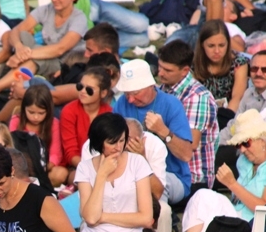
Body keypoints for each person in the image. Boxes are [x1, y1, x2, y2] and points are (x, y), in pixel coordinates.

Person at [178, 109, 266, 232]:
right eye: (239, 145)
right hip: (236, 214)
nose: (242, 149)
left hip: (254, 223)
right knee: (202, 197)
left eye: (246, 143)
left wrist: (232, 184)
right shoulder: (244, 161)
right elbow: (235, 200)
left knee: (205, 196)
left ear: (263, 140)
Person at [113, 59, 193, 205]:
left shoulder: (171, 104)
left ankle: (158, 220)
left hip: (172, 175)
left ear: (150, 85)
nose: (130, 100)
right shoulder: (121, 104)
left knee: (152, 189)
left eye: (135, 93)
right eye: (126, 94)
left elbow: (186, 154)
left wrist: (163, 131)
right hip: (127, 170)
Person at [0, 0, 87, 96]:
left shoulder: (79, 18)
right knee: (23, 36)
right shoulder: (46, 10)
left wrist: (24, 56)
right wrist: (19, 47)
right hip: (41, 54)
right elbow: (16, 30)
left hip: (62, 63)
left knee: (36, 59)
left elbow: (60, 48)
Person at [158, 40, 219, 189]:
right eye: (160, 67)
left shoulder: (197, 97)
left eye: (167, 70)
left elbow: (190, 145)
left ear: (185, 71)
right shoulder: (163, 89)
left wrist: (161, 130)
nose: (160, 73)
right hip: (168, 171)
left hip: (193, 178)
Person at [9, 85, 64, 185]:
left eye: (41, 113)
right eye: (31, 112)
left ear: (48, 111)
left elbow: (55, 153)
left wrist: (45, 167)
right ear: (24, 108)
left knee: (60, 174)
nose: (35, 117)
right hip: (21, 168)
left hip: (45, 168)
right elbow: (11, 147)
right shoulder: (16, 121)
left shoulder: (54, 124)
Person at [59, 66, 112, 172]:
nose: (82, 91)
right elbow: (70, 152)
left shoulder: (109, 113)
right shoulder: (69, 111)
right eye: (80, 86)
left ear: (103, 93)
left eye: (89, 90)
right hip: (75, 167)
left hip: (104, 166)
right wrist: (90, 169)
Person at [192, 20, 248, 113]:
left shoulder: (239, 63)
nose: (217, 51)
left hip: (229, 114)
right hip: (199, 112)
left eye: (221, 45)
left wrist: (225, 117)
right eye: (211, 46)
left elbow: (237, 97)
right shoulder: (192, 64)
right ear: (202, 45)